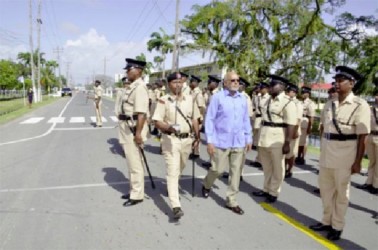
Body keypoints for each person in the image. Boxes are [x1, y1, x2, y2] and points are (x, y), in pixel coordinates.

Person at [309, 66, 370, 241]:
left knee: (341, 194)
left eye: (341, 80)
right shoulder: (330, 103)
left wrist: (358, 161)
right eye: (335, 80)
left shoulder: (360, 105)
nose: (336, 83)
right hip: (327, 153)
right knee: (326, 192)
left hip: (345, 155)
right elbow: (323, 129)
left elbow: (362, 136)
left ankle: (337, 226)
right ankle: (326, 221)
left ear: (351, 83)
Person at [201, 71, 252, 215]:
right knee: (217, 169)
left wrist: (248, 138)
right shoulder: (217, 98)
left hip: (239, 141)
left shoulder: (242, 99)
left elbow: (245, 120)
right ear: (225, 82)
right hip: (221, 141)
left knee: (235, 172)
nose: (236, 83)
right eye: (233, 80)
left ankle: (231, 200)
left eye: (238, 80)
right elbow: (210, 119)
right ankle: (206, 184)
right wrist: (210, 141)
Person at [152, 72, 200, 219]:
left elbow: (195, 119)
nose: (178, 85)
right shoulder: (163, 100)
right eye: (174, 82)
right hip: (170, 140)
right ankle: (176, 205)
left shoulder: (190, 99)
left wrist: (197, 137)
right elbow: (157, 121)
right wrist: (168, 128)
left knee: (180, 167)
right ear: (169, 84)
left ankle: (171, 187)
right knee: (172, 171)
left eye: (180, 82)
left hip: (187, 140)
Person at [252, 75, 296, 203]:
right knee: (267, 166)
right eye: (270, 85)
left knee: (278, 167)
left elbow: (291, 124)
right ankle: (266, 189)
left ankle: (274, 192)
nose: (270, 87)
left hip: (278, 137)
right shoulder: (267, 100)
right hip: (264, 135)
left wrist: (287, 143)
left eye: (273, 85)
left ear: (281, 87)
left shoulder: (288, 102)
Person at [117, 58, 150, 207]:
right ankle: (134, 190)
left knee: (135, 163)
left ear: (138, 71)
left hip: (134, 129)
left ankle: (137, 195)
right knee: (131, 163)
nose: (127, 72)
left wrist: (138, 134)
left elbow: (141, 114)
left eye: (129, 69)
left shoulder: (140, 87)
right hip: (127, 127)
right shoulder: (132, 86)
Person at [356, 87, 378, 194]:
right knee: (372, 161)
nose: (376, 97)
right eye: (376, 95)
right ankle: (369, 182)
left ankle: (376, 185)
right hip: (370, 136)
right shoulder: (371, 109)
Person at [202, 75, 222, 168]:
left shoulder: (218, 94)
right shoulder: (212, 93)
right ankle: (211, 161)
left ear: (215, 84)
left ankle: (215, 164)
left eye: (210, 83)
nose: (208, 84)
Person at [284, 83, 303, 178]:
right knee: (284, 152)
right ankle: (283, 168)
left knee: (291, 152)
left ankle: (290, 169)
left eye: (290, 91)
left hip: (294, 129)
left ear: (294, 93)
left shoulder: (297, 103)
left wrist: (295, 131)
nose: (288, 93)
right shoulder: (286, 101)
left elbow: (298, 119)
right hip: (285, 129)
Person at [251, 82, 270, 168]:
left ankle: (261, 160)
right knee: (256, 140)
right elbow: (254, 107)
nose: (260, 90)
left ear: (266, 89)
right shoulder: (257, 97)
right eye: (260, 88)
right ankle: (258, 159)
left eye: (262, 88)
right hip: (257, 119)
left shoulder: (269, 98)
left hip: (263, 120)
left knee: (261, 141)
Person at [296, 86, 315, 165]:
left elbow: (312, 116)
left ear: (308, 94)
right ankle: (298, 156)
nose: (303, 94)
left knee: (304, 142)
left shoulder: (310, 103)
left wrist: (310, 127)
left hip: (305, 122)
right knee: (299, 141)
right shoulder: (300, 102)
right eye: (302, 92)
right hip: (300, 121)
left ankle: (302, 157)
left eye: (304, 93)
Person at [189, 75, 206, 159]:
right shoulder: (192, 92)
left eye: (191, 81)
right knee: (192, 134)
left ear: (195, 83)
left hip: (197, 117)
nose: (190, 83)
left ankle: (196, 153)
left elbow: (201, 107)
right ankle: (193, 151)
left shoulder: (198, 93)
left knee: (196, 134)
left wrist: (199, 118)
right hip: (192, 116)